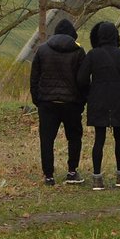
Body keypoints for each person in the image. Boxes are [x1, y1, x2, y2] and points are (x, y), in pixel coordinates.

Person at [77, 21, 120, 190]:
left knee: (99, 139)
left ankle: (97, 177)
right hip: (118, 100)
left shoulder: (93, 55)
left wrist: (90, 92)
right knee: (119, 138)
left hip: (98, 99)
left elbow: (81, 79)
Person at [30, 18, 87, 186]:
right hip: (71, 103)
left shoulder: (42, 51)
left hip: (47, 102)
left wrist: (38, 100)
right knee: (74, 137)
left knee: (47, 139)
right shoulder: (78, 52)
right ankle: (72, 172)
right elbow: (83, 80)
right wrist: (81, 102)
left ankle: (48, 175)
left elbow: (34, 78)